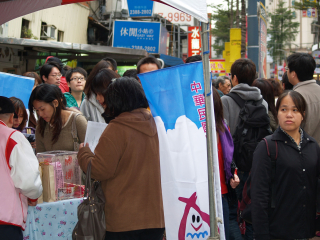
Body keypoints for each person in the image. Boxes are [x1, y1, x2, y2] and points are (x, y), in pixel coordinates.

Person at [77, 77, 165, 240]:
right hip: (156, 218)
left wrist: (84, 153)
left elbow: (99, 170)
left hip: (123, 219)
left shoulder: (117, 128)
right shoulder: (156, 124)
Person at [251, 90, 320, 239]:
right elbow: (259, 195)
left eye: (295, 110)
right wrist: (262, 234)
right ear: (277, 113)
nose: (289, 114)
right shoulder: (267, 146)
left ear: (303, 114)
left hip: (306, 230)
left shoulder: (312, 145)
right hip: (277, 230)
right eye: (284, 109)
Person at [221, 58, 268, 240]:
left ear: (234, 78)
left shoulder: (226, 101)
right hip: (257, 164)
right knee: (250, 213)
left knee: (232, 213)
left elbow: (224, 134)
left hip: (234, 167)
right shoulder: (261, 102)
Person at [0, 96, 42, 240]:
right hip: (5, 220)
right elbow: (29, 180)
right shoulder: (12, 136)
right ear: (12, 117)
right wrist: (33, 196)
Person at [213, 88, 240, 240]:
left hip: (222, 192)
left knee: (224, 232)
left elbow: (229, 158)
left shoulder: (223, 127)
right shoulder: (191, 130)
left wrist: (233, 175)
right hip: (200, 193)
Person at [29, 84, 87, 152]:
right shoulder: (41, 125)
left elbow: (90, 152)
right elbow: (41, 156)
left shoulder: (77, 120)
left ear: (55, 103)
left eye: (42, 109)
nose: (40, 114)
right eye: (37, 110)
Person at [286, 52, 320, 145]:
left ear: (293, 74)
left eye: (287, 69)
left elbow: (288, 130)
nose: (286, 72)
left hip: (302, 152)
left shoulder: (293, 96)